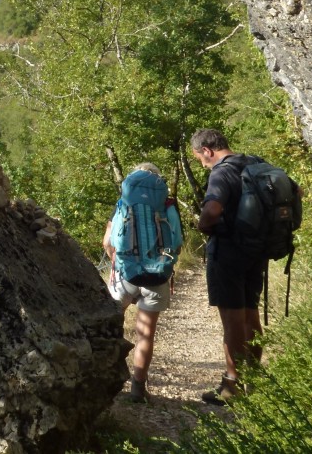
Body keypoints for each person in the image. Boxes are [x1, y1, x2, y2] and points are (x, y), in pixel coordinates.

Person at [190, 128, 267, 405]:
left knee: (232, 322)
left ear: (208, 150)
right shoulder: (257, 163)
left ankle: (231, 386)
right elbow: (297, 190)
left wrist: (203, 225)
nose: (202, 163)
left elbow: (211, 212)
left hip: (229, 255)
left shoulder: (221, 172)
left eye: (200, 157)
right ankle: (254, 380)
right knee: (251, 315)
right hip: (256, 251)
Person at [102, 162, 174, 403]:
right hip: (156, 276)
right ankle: (137, 389)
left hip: (124, 276)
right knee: (146, 336)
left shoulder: (123, 204)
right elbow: (178, 242)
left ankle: (105, 382)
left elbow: (107, 242)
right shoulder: (167, 205)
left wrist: (119, 261)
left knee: (110, 328)